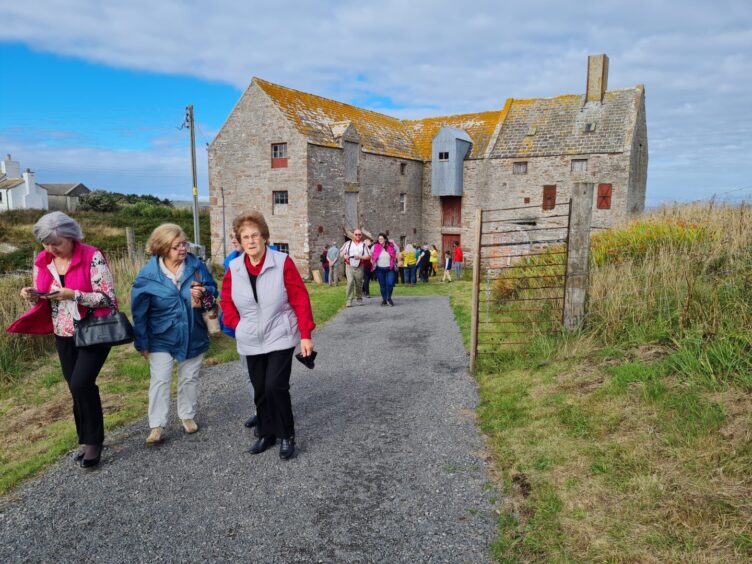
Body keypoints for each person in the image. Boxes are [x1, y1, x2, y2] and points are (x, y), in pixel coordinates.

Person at [9, 212, 118, 469]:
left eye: (56, 243)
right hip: (63, 332)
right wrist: (33, 295)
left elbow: (107, 298)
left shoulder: (92, 256)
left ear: (71, 237)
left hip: (94, 330)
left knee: (81, 384)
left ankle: (94, 444)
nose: (51, 248)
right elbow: (45, 293)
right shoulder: (43, 260)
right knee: (76, 388)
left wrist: (74, 294)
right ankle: (89, 438)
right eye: (46, 244)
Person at [220, 211, 315, 460]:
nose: (251, 241)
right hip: (250, 336)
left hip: (279, 333)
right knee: (260, 388)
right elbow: (227, 300)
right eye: (245, 237)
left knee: (275, 386)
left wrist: (305, 335)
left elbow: (300, 298)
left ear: (264, 238)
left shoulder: (282, 262)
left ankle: (286, 435)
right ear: (239, 242)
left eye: (255, 236)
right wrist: (236, 324)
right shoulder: (234, 267)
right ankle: (266, 433)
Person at [131, 224, 218, 445]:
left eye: (184, 243)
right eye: (177, 245)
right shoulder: (147, 275)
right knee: (160, 379)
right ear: (162, 248)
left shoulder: (196, 265)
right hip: (160, 335)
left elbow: (212, 287)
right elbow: (139, 313)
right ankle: (157, 425)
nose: (183, 248)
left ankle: (187, 416)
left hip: (193, 331)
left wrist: (205, 291)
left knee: (189, 377)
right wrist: (141, 342)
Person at [221, 231, 257, 430]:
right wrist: (236, 324)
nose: (233, 240)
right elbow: (226, 298)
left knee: (268, 376)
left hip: (266, 329)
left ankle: (273, 411)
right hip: (243, 328)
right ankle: (260, 410)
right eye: (232, 237)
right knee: (248, 372)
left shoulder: (273, 259)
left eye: (237, 236)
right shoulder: (230, 262)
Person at [340, 229, 370, 307]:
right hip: (349, 266)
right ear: (353, 235)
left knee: (359, 284)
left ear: (361, 235)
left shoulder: (364, 245)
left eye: (359, 234)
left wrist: (360, 257)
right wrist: (344, 256)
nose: (357, 236)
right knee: (350, 282)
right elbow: (341, 252)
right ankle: (349, 300)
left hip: (359, 266)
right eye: (356, 234)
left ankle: (359, 299)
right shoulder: (348, 243)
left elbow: (368, 256)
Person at [371, 233, 397, 306]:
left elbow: (397, 251)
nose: (380, 240)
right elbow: (370, 254)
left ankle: (389, 297)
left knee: (390, 283)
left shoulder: (391, 245)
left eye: (382, 239)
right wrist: (372, 260)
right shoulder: (375, 246)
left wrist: (397, 258)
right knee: (382, 285)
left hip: (390, 268)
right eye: (379, 239)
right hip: (379, 269)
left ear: (385, 239)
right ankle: (384, 299)